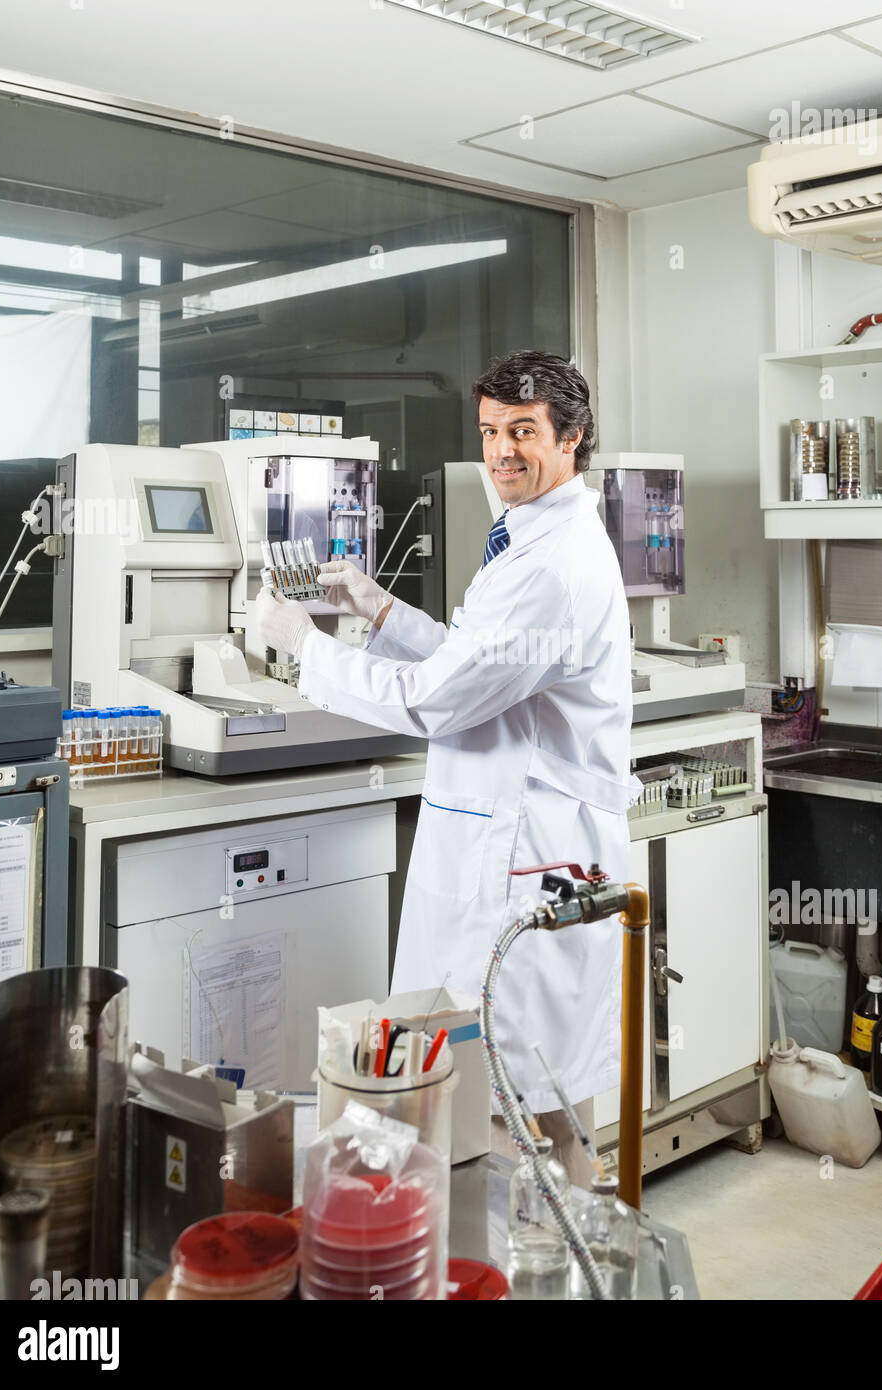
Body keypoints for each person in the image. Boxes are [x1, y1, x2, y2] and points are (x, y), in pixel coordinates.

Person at [256, 351, 637, 1184]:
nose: (502, 451)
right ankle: (568, 1251)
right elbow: (476, 662)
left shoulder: (553, 566)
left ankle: (519, 1262)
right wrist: (380, 609)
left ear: (571, 438)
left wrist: (307, 651)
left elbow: (438, 702)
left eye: (524, 432)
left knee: (496, 1099)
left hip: (522, 854)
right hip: (523, 839)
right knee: (548, 1097)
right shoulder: (539, 538)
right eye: (492, 432)